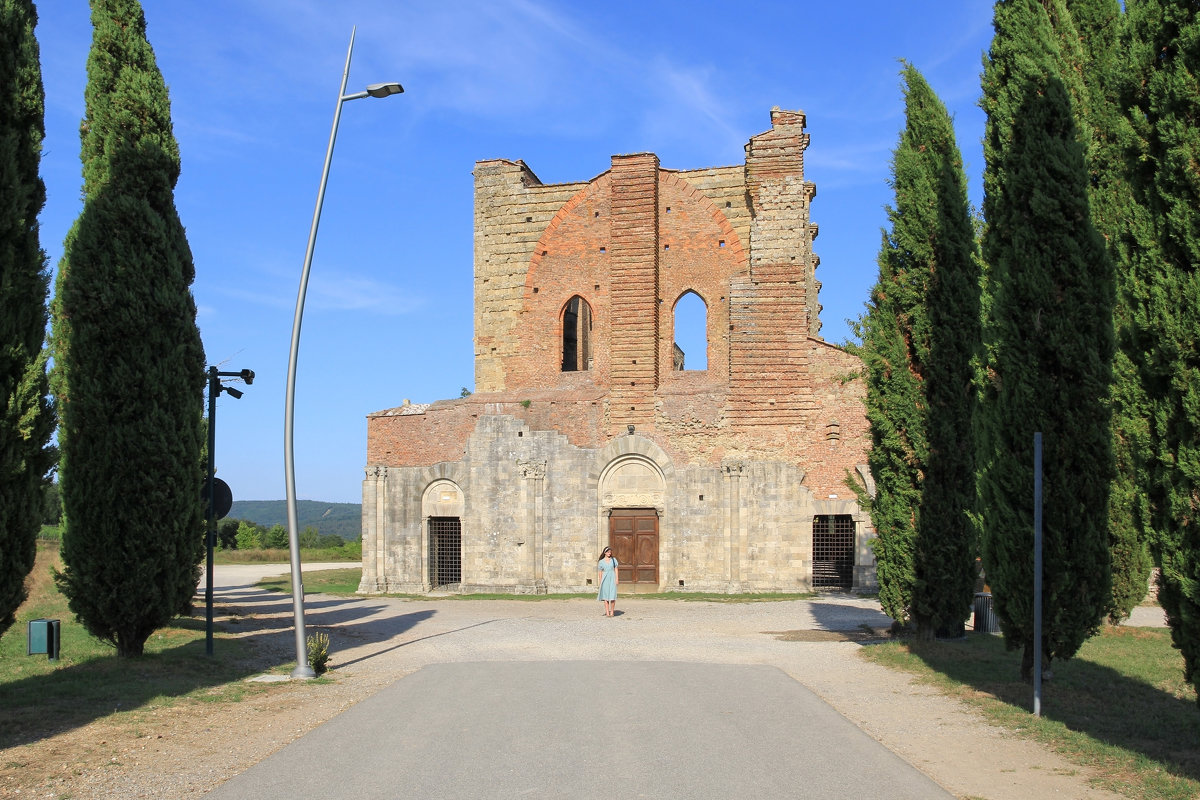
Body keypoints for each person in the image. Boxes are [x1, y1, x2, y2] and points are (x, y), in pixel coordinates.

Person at [597, 546, 618, 617]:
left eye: (610, 552)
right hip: (605, 578)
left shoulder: (614, 560)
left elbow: (616, 569)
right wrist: (600, 581)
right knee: (606, 596)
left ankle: (612, 612)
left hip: (612, 577)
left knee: (612, 596)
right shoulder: (601, 562)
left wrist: (617, 578)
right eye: (608, 552)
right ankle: (607, 612)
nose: (609, 553)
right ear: (605, 553)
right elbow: (600, 572)